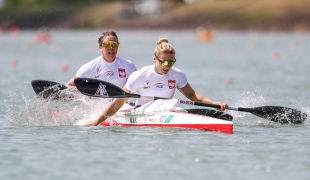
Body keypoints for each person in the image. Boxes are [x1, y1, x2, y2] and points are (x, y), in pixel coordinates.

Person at [84, 37, 228, 126]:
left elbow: (192, 95)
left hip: (166, 110)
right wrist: (98, 121)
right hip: (139, 112)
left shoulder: (178, 75)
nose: (168, 66)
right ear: (155, 59)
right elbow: (119, 101)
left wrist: (213, 104)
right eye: (164, 62)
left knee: (173, 103)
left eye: (171, 63)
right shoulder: (140, 76)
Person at [66, 31, 137, 88]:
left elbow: (140, 86)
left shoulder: (129, 66)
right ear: (100, 47)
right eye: (107, 44)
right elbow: (69, 85)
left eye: (114, 44)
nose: (111, 47)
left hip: (122, 105)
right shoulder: (91, 67)